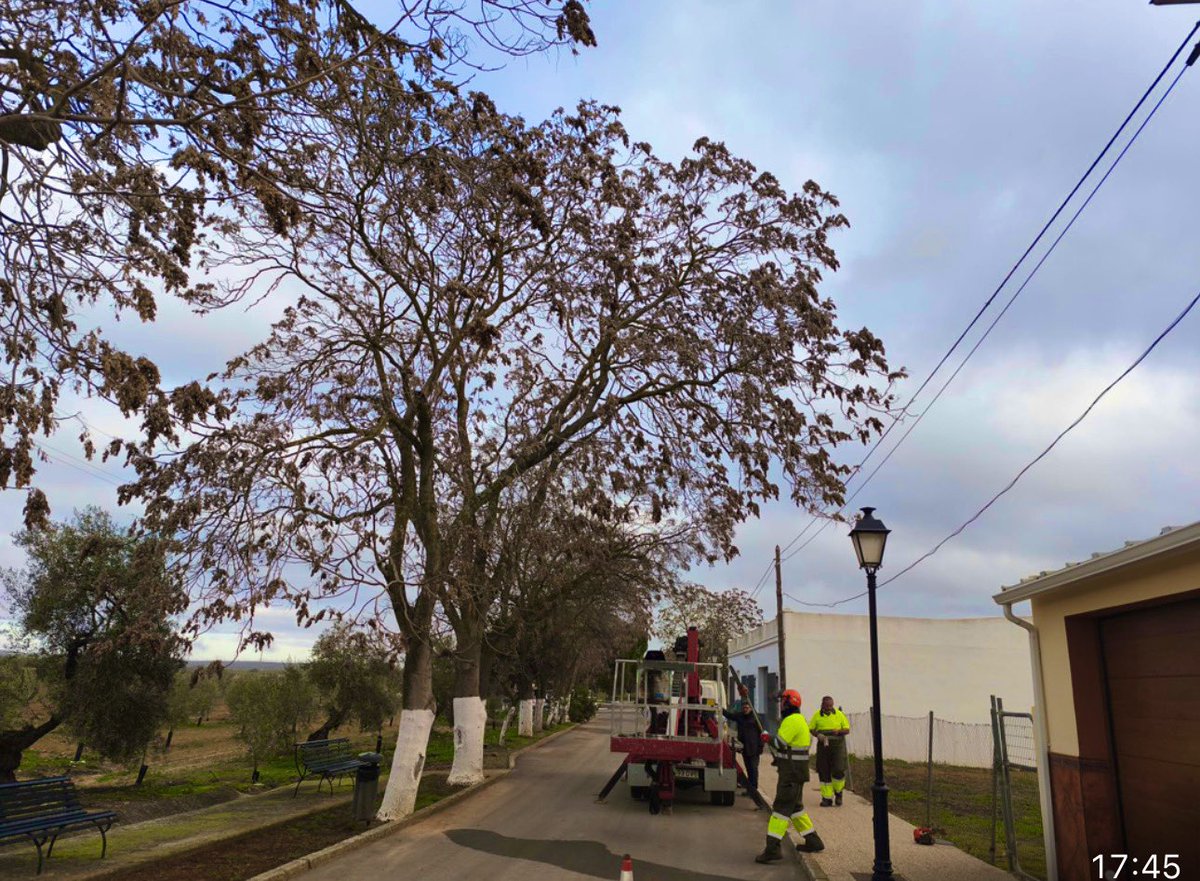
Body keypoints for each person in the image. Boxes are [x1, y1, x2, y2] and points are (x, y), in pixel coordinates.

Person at [755, 689, 825, 863]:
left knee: (780, 810)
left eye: (783, 702)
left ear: (789, 703)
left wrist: (766, 737)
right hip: (797, 772)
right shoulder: (800, 720)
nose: (781, 705)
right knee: (796, 809)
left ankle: (772, 850)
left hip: (790, 774)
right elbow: (790, 749)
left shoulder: (791, 721)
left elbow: (780, 743)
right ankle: (813, 841)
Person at [809, 695, 851, 806]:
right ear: (822, 705)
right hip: (823, 746)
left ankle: (838, 793)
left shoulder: (839, 714)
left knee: (838, 769)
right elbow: (811, 729)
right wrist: (818, 735)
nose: (829, 708)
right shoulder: (817, 715)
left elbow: (847, 729)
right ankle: (827, 798)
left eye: (831, 706)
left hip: (837, 746)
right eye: (827, 706)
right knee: (824, 771)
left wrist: (839, 731)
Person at [722, 687, 762, 795]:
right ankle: (750, 790)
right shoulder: (740, 716)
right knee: (749, 769)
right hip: (745, 748)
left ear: (751, 708)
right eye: (744, 707)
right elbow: (729, 715)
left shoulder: (756, 718)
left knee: (753, 770)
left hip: (754, 749)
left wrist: (760, 748)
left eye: (747, 707)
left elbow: (761, 734)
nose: (745, 709)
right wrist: (720, 708)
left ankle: (754, 790)